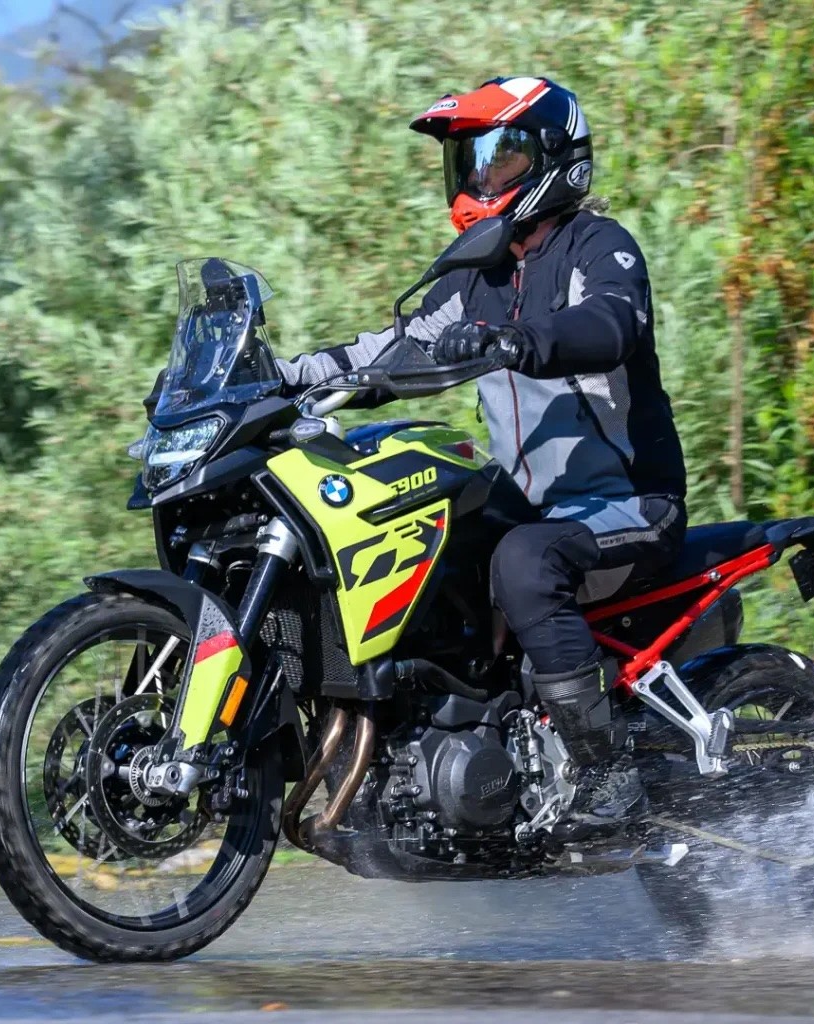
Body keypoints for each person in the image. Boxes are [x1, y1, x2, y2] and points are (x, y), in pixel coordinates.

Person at [277, 76, 688, 835]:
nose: (477, 178)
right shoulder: (476, 278)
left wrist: (523, 342)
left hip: (628, 507)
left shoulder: (601, 247)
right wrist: (284, 378)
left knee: (524, 565)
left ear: (550, 160)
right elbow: (388, 352)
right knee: (421, 543)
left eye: (496, 158)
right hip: (533, 513)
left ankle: (608, 777)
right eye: (467, 162)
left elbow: (611, 324)